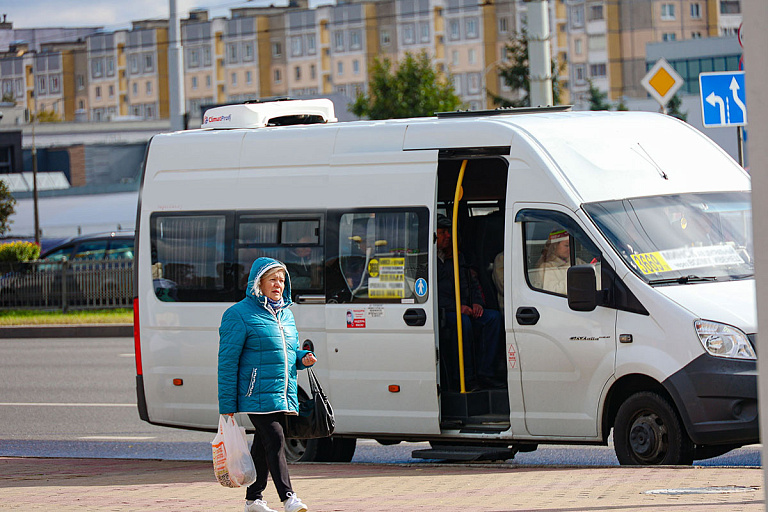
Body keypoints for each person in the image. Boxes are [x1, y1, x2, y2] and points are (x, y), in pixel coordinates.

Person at [218, 257, 317, 512]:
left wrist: (302, 358)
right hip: (254, 393)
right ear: (258, 283)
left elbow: (288, 351)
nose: (278, 285)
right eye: (272, 279)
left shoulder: (286, 315)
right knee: (275, 438)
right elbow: (227, 363)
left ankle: (254, 500)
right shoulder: (238, 315)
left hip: (280, 392)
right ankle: (289, 498)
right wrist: (227, 406)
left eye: (282, 280)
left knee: (263, 445)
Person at [435, 215, 503, 390]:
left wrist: (477, 303)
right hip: (443, 312)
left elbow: (471, 282)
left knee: (493, 318)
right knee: (462, 323)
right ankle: (465, 379)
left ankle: (486, 373)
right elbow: (432, 295)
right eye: (443, 232)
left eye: (448, 232)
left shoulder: (458, 257)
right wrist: (456, 307)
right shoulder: (427, 261)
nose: (448, 236)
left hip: (466, 307)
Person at [533, 229, 571, 295]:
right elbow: (553, 291)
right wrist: (575, 281)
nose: (570, 249)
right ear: (555, 246)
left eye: (571, 245)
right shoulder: (547, 267)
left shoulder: (577, 261)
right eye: (566, 246)